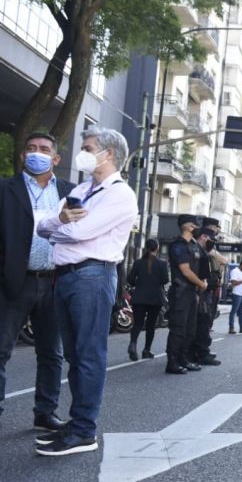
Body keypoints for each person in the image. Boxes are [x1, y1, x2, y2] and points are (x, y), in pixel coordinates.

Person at [34, 126, 138, 456]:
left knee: (89, 355)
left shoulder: (120, 194)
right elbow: (43, 224)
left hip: (92, 276)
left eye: (89, 146)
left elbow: (79, 231)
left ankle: (84, 430)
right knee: (75, 357)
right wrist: (59, 223)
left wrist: (58, 225)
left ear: (108, 154)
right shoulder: (82, 188)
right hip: (65, 276)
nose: (84, 150)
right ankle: (78, 422)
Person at [0, 132, 73, 433]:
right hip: (14, 282)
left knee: (51, 353)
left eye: (44, 149)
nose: (36, 153)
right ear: (22, 156)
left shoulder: (71, 192)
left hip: (55, 281)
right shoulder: (6, 189)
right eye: (30, 148)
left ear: (56, 159)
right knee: (1, 350)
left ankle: (45, 411)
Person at [165, 215, 207, 374]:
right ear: (189, 227)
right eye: (196, 227)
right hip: (180, 292)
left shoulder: (194, 246)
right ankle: (172, 362)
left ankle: (184, 359)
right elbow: (185, 271)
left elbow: (204, 262)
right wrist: (201, 283)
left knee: (190, 329)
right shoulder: (178, 246)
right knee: (178, 329)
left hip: (191, 292)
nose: (198, 230)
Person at [126, 238, 169, 361]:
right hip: (155, 298)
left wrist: (138, 284)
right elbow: (165, 280)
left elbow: (130, 279)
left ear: (146, 247)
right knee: (151, 325)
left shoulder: (138, 263)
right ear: (157, 248)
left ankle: (133, 344)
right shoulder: (162, 264)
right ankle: (146, 350)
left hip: (139, 297)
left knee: (138, 323)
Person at [189, 226, 221, 366]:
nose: (212, 242)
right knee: (201, 324)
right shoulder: (197, 251)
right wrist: (202, 285)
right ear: (203, 236)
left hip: (206, 292)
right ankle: (200, 353)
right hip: (201, 293)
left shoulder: (203, 251)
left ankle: (200, 352)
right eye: (210, 239)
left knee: (204, 323)